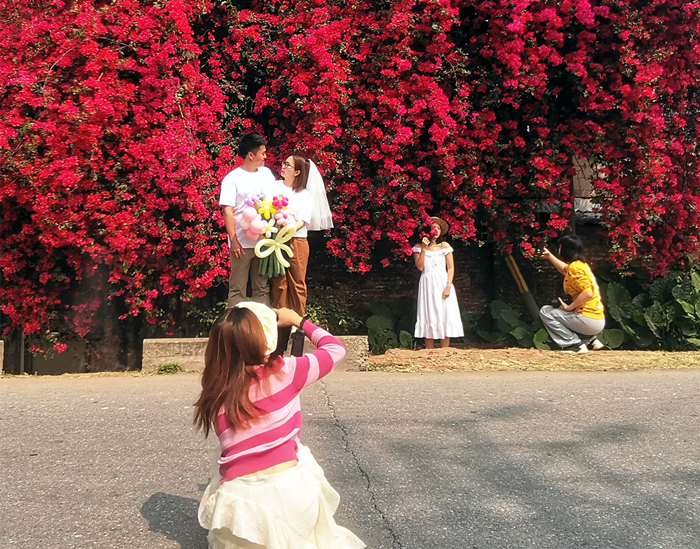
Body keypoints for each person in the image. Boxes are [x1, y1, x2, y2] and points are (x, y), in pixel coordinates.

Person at [194, 302, 365, 549]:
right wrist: (299, 321)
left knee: (223, 467)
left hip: (237, 518)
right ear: (266, 344)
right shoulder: (289, 371)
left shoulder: (215, 390)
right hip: (291, 507)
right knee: (301, 454)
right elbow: (335, 349)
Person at [219, 134, 276, 307]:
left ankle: (261, 327)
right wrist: (234, 240)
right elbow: (227, 211)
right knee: (238, 288)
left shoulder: (267, 174)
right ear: (251, 155)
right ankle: (235, 328)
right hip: (241, 245)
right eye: (263, 153)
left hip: (263, 240)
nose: (265, 157)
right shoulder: (232, 179)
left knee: (262, 287)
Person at [270, 155, 313, 357]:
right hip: (276, 239)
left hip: (296, 240)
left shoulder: (304, 195)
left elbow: (302, 221)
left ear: (297, 172)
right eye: (284, 163)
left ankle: (298, 327)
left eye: (288, 165)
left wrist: (289, 228)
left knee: (297, 282)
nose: (283, 167)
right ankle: (279, 332)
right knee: (279, 282)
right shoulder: (275, 186)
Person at [540, 234, 606, 353]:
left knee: (546, 312)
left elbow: (588, 293)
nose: (558, 249)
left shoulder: (575, 269)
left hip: (588, 320)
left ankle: (574, 344)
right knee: (567, 312)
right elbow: (564, 269)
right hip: (596, 319)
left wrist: (569, 307)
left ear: (565, 249)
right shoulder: (579, 266)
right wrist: (550, 256)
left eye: (560, 247)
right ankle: (591, 341)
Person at [413, 217, 464, 348]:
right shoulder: (418, 248)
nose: (436, 230)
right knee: (428, 312)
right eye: (433, 227)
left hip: (442, 282)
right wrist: (424, 248)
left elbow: (451, 267)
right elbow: (420, 267)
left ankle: (444, 351)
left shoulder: (444, 246)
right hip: (427, 282)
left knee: (445, 312)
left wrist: (448, 285)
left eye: (439, 228)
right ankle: (429, 350)